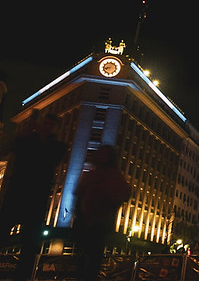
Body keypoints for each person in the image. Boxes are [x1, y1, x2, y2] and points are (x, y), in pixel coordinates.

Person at [0, 112, 68, 281]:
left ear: (55, 128)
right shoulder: (26, 140)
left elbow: (52, 160)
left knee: (30, 244)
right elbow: (7, 150)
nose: (47, 127)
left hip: (37, 197)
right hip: (17, 193)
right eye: (45, 123)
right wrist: (26, 133)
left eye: (50, 125)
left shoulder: (57, 147)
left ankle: (22, 276)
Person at [74, 144, 131, 281]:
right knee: (85, 258)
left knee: (92, 257)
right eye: (100, 154)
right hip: (87, 220)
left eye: (105, 155)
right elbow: (79, 193)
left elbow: (124, 193)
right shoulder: (93, 175)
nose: (102, 158)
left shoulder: (113, 177)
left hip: (99, 223)